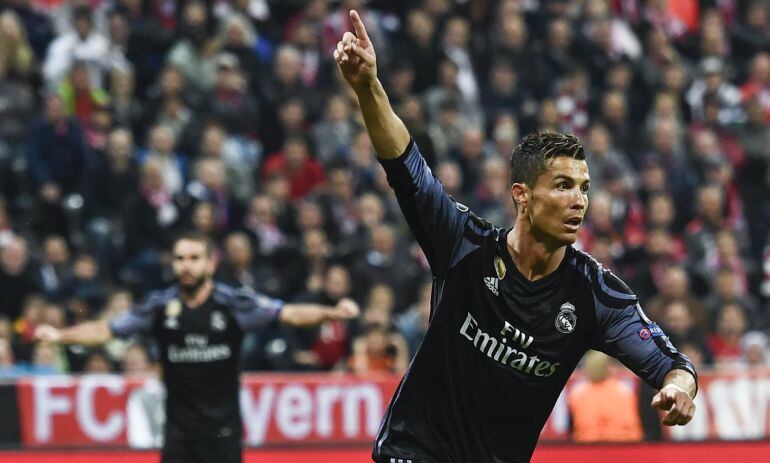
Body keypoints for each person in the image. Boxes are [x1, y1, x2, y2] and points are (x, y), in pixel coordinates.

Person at [334, 10, 697, 463]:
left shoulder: (593, 294)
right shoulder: (463, 243)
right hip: (413, 453)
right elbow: (406, 166)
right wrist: (369, 87)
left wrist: (678, 389)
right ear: (522, 195)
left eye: (584, 188)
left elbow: (673, 364)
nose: (579, 201)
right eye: (563, 186)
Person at [34, 230, 359, 463]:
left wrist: (333, 313)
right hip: (177, 432)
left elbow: (288, 313)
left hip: (223, 432)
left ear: (210, 264)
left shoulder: (232, 304)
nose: (186, 265)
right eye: (179, 259)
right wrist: (61, 336)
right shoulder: (159, 306)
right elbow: (107, 330)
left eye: (193, 258)